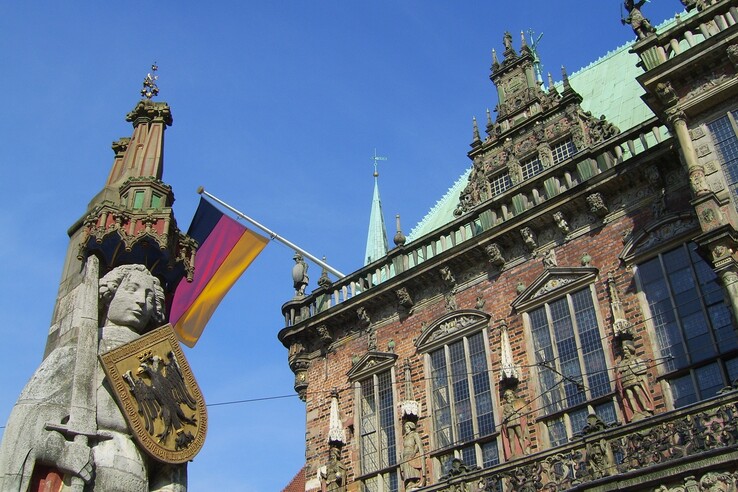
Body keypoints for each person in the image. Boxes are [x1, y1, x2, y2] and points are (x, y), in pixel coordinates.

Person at [0, 261, 186, 491]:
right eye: (132, 289)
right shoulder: (80, 351)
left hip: (136, 478)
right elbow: (27, 421)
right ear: (109, 295)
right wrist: (62, 451)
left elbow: (170, 444)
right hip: (84, 475)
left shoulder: (158, 364)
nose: (141, 301)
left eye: (149, 297)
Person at [615, 340, 654, 422]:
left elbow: (640, 368)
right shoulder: (622, 362)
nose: (625, 352)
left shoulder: (635, 359)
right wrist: (621, 369)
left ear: (630, 350)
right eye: (624, 350)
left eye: (626, 349)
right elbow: (619, 371)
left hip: (633, 378)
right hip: (625, 380)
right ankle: (635, 412)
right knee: (629, 395)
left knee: (637, 390)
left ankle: (644, 408)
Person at [501, 389, 530, 459]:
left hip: (517, 421)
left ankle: (524, 451)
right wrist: (507, 415)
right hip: (509, 423)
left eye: (510, 394)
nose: (509, 396)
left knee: (520, 436)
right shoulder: (505, 406)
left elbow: (523, 411)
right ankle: (513, 453)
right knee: (511, 438)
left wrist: (519, 412)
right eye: (507, 395)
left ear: (513, 395)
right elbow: (503, 417)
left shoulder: (517, 402)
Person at [400, 421, 425, 490]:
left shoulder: (415, 434)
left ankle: (414, 481)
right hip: (405, 455)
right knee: (407, 471)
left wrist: (414, 451)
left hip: (411, 455)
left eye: (407, 427)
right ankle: (409, 482)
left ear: (411, 427)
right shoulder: (405, 437)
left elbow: (419, 445)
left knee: (412, 469)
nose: (406, 429)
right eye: (405, 428)